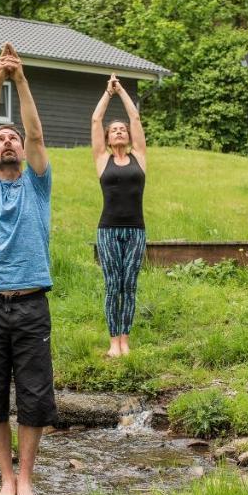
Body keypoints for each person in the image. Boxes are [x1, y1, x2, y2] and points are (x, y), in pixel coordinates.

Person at [0, 42, 56, 495]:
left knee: (36, 395)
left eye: (12, 138)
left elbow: (37, 135)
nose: (6, 141)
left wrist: (19, 78)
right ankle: (5, 478)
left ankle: (26, 478)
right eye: (2, 138)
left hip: (31, 303)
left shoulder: (37, 185)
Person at [90, 74, 147, 357]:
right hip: (108, 230)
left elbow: (135, 120)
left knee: (130, 285)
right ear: (107, 138)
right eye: (114, 130)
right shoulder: (103, 159)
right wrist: (107, 93)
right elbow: (95, 120)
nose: (120, 131)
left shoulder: (139, 157)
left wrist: (122, 91)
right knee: (114, 285)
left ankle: (126, 339)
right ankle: (114, 342)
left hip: (136, 230)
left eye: (122, 129)